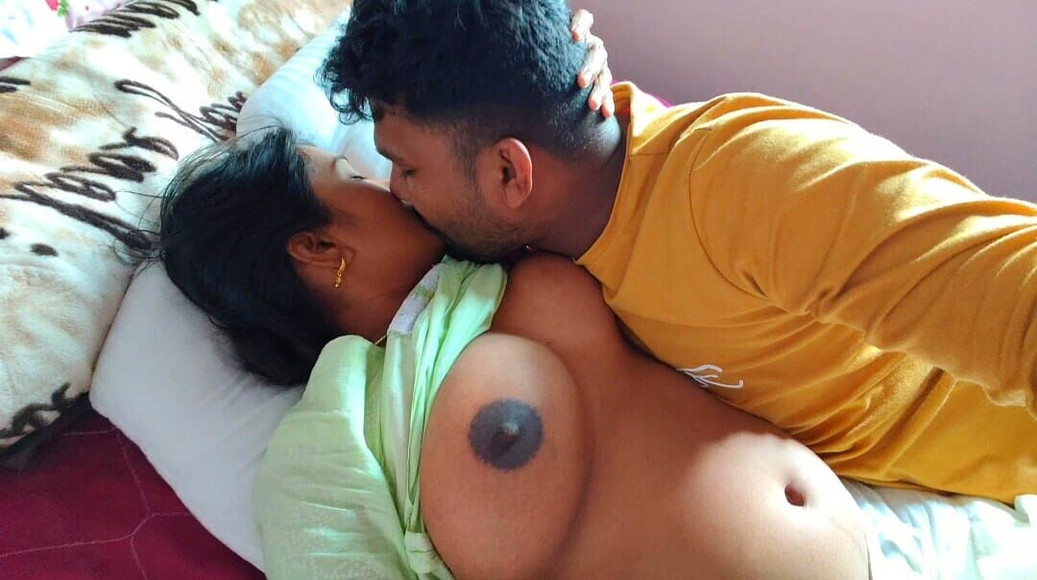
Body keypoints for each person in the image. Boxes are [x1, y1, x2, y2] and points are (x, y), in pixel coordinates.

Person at [321, 0, 1037, 503]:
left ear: (510, 172)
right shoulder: (548, 242)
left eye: (405, 168)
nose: (396, 190)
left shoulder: (747, 184)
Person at [157, 126, 868, 578]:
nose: (388, 181)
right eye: (353, 175)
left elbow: (586, 164)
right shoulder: (328, 439)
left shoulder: (501, 247)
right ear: (317, 247)